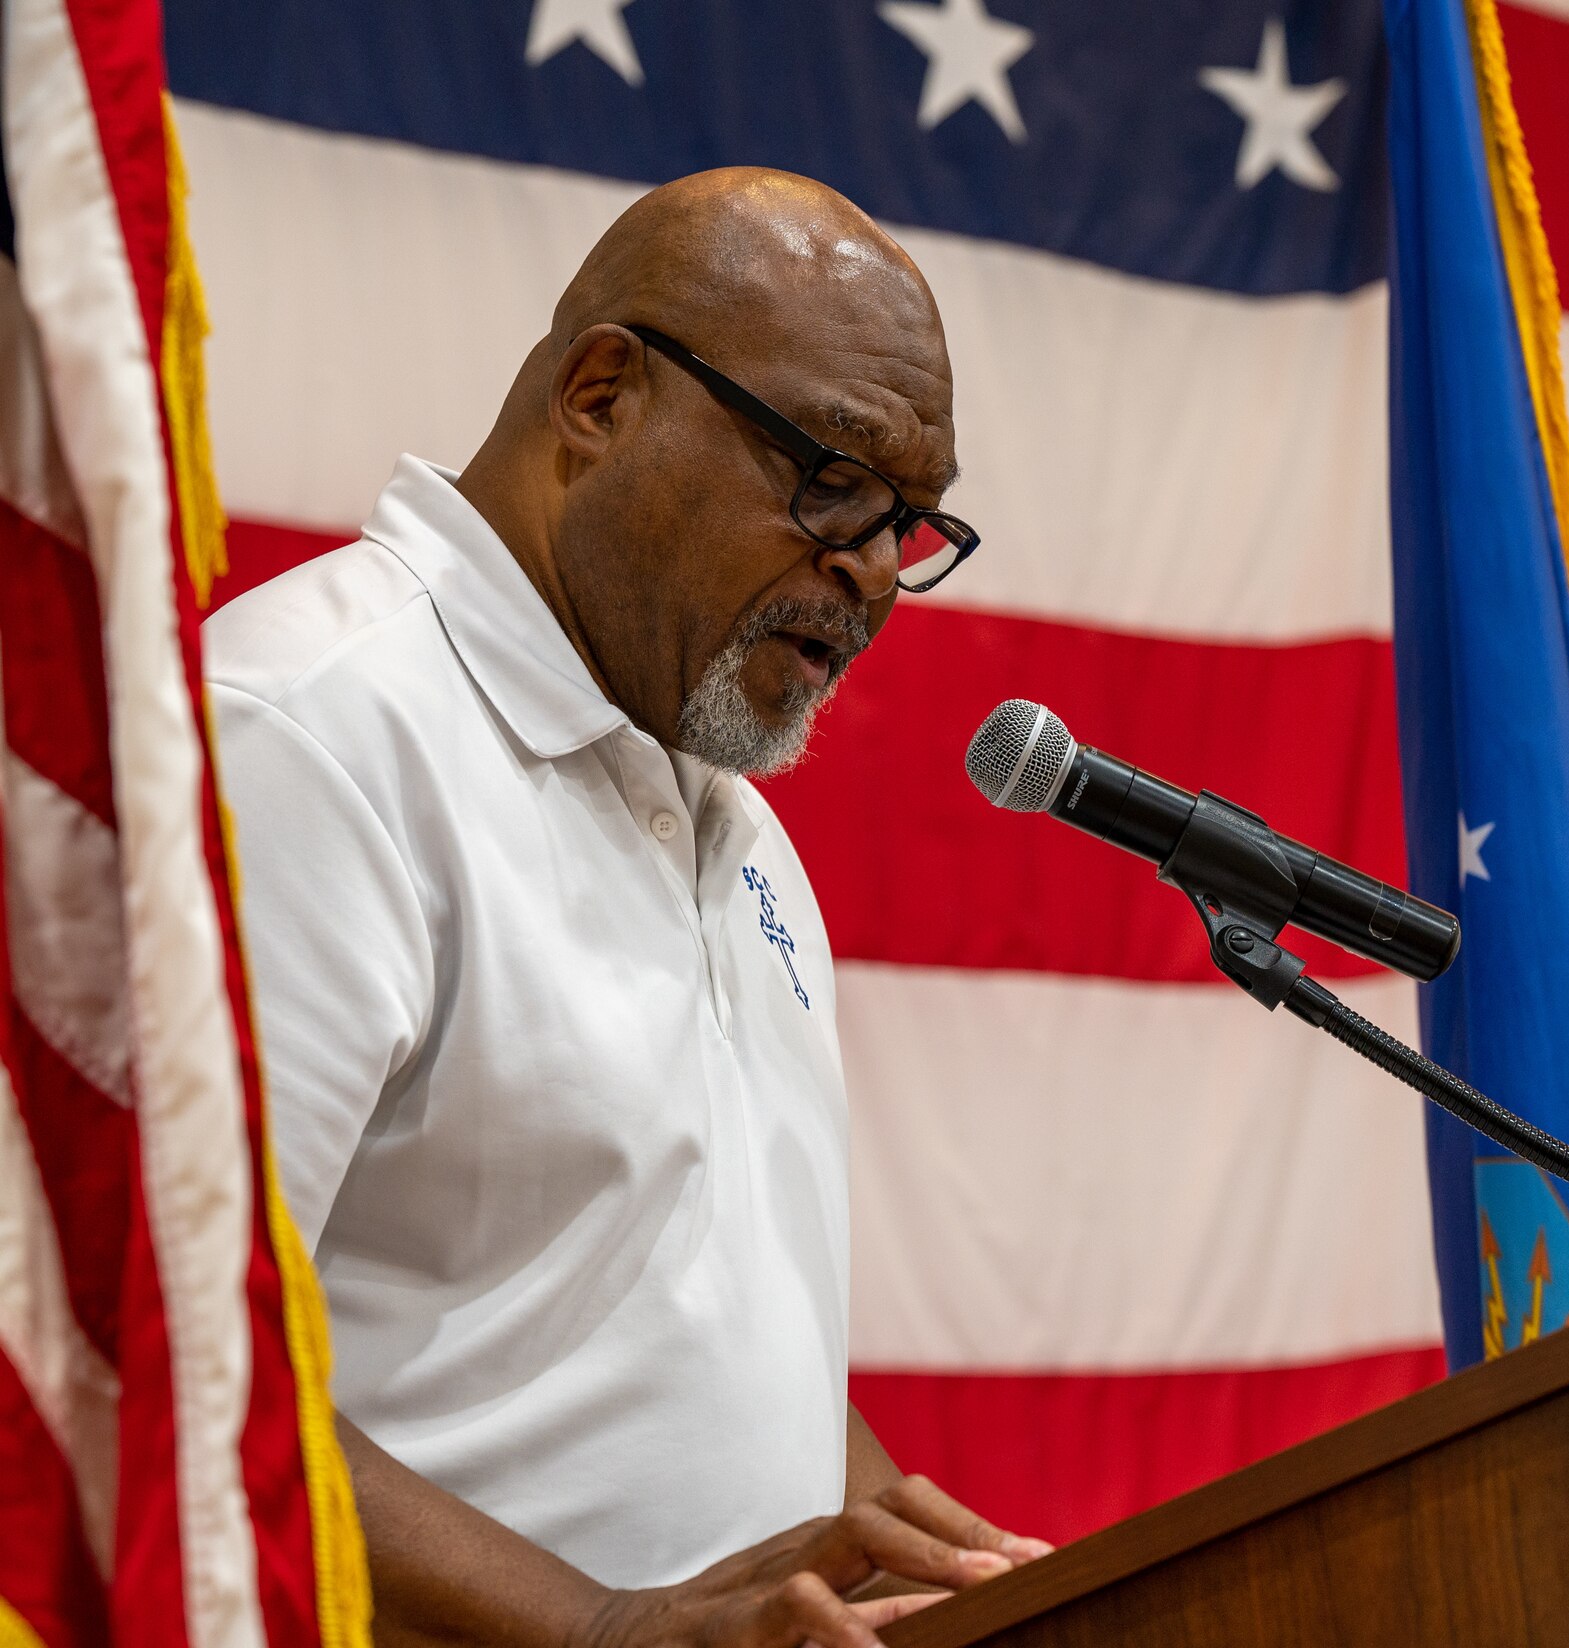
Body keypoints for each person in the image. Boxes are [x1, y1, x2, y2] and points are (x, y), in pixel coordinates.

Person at [205, 167, 1043, 1648]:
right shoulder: (309, 734)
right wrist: (602, 1629)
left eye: (909, 524)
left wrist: (916, 1567)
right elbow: (153, 1355)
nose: (870, 572)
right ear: (600, 396)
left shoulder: (744, 834)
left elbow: (689, 1328)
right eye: (830, 478)